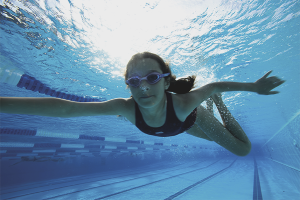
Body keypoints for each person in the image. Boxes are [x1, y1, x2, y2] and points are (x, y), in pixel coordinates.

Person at [0, 52, 285, 156]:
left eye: (151, 77)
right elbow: (68, 108)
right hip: (180, 127)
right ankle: (214, 107)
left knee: (243, 150)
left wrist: (254, 88)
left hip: (190, 119)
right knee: (221, 140)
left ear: (165, 81)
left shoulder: (184, 102)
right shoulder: (125, 107)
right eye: (134, 81)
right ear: (127, 85)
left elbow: (215, 85)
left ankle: (218, 106)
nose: (143, 87)